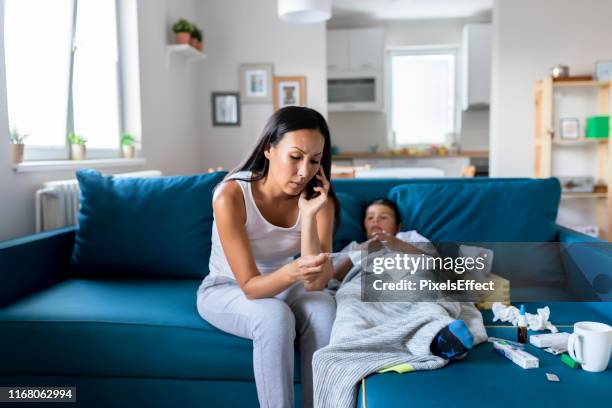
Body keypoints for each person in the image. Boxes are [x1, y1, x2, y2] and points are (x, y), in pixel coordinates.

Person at [196, 106, 339, 408]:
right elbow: (250, 286)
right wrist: (294, 271)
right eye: (296, 157)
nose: (305, 172)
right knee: (274, 316)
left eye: (315, 160)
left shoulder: (320, 202)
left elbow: (315, 284)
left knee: (324, 308)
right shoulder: (231, 195)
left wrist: (309, 216)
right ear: (269, 149)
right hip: (227, 288)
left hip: (288, 283)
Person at [332, 198, 475, 359]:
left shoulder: (409, 237)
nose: (376, 221)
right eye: (370, 217)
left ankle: (440, 337)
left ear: (397, 225)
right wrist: (358, 253)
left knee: (427, 300)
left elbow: (438, 264)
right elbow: (331, 277)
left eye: (383, 217)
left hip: (409, 278)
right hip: (364, 284)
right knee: (350, 309)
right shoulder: (354, 247)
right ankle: (350, 350)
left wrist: (397, 244)